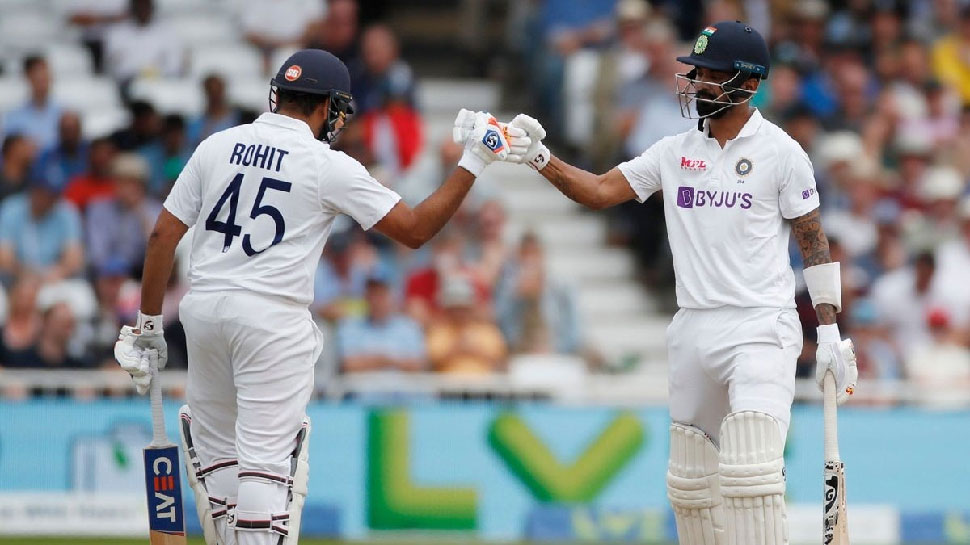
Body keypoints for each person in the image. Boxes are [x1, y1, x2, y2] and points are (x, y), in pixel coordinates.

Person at [113, 49, 526, 545]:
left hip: (203, 311)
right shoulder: (326, 164)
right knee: (267, 468)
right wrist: (475, 158)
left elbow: (162, 237)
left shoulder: (216, 146)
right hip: (271, 320)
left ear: (277, 95)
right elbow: (415, 231)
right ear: (327, 106)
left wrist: (149, 324)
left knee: (221, 459)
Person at [470, 21, 859, 545]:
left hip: (760, 325)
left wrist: (830, 331)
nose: (696, 84)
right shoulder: (673, 151)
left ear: (747, 84)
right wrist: (537, 157)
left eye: (709, 74)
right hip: (693, 326)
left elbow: (813, 240)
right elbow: (600, 191)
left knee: (750, 474)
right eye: (694, 73)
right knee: (691, 488)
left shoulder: (783, 152)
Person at [337, 273, 426, 374]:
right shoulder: (351, 326)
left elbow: (418, 365)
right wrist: (389, 360)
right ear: (366, 297)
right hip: (364, 389)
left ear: (392, 296)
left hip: (401, 389)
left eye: (381, 294)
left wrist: (381, 360)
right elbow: (349, 365)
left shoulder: (410, 327)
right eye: (372, 294)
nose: (376, 300)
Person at [1, 56, 62, 150]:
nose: (43, 83)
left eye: (46, 77)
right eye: (38, 79)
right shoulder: (14, 117)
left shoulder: (63, 113)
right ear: (28, 78)